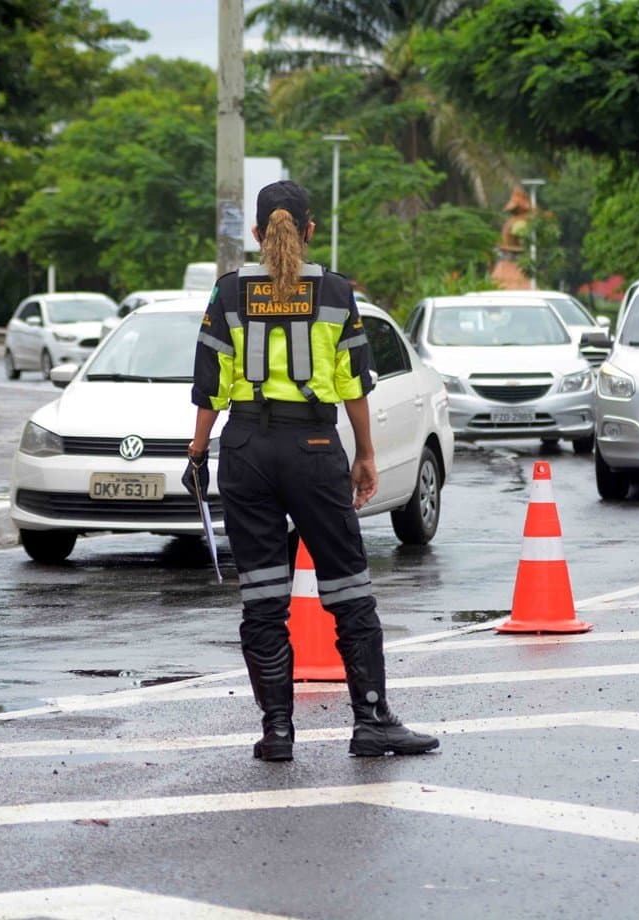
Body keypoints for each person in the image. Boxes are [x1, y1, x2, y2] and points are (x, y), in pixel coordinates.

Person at [185, 180, 439, 762]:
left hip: (246, 449)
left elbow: (209, 387)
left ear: (255, 233)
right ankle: (371, 721)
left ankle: (277, 732)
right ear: (309, 231)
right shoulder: (334, 291)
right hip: (315, 446)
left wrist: (198, 454)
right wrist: (366, 456)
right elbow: (353, 386)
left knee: (264, 596)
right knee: (349, 588)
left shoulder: (227, 294)